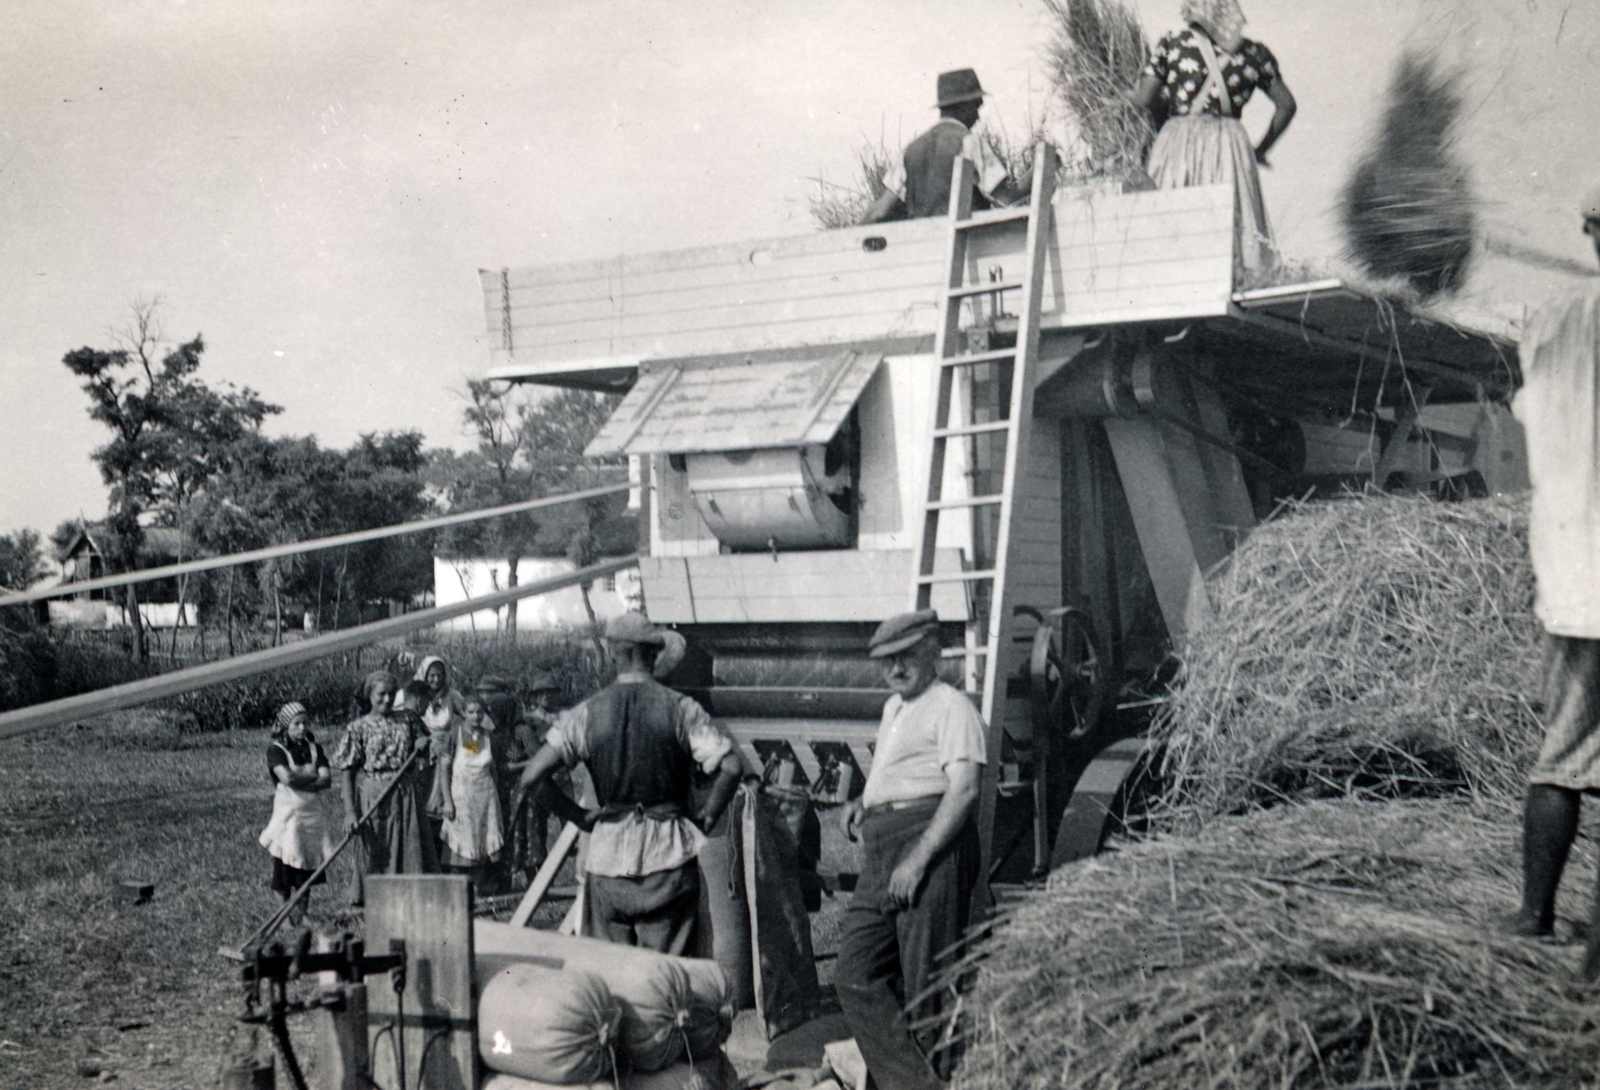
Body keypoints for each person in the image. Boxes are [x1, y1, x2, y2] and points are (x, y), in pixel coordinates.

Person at [516, 612, 744, 954]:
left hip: (607, 858)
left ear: (613, 653)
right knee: (665, 976)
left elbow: (532, 776)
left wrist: (579, 816)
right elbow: (731, 767)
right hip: (668, 857)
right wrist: (707, 819)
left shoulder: (587, 712)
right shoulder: (682, 709)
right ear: (654, 655)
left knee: (608, 975)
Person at [835, 609, 985, 1090]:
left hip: (928, 842)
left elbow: (964, 789)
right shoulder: (894, 710)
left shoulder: (952, 707)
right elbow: (896, 774)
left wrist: (919, 859)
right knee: (854, 973)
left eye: (906, 657)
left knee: (928, 987)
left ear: (932, 652)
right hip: (883, 847)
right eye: (887, 661)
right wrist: (863, 802)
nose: (896, 669)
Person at [1509, 186, 1600, 970]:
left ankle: (1534, 916)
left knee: (1562, 756)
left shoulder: (1548, 321)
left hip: (1574, 580)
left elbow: (1533, 419)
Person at [1129, 0, 1296, 274]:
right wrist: (1261, 149)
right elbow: (1286, 105)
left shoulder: (1173, 44)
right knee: (1232, 222)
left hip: (1179, 141)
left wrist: (1123, 97)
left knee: (1169, 216)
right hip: (1229, 145)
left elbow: (1144, 99)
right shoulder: (1256, 54)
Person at [859, 69, 1023, 224]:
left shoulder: (910, 151)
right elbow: (1007, 202)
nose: (978, 117)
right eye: (976, 106)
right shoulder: (970, 141)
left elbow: (879, 211)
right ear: (964, 105)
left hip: (925, 241)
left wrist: (848, 239)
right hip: (968, 241)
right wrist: (1031, 178)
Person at [331, 670, 438, 902]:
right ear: (370, 695)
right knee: (378, 846)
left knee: (410, 844)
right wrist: (350, 812)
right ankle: (373, 897)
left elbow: (425, 752)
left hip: (406, 791)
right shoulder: (358, 728)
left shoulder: (408, 719)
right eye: (381, 694)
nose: (387, 699)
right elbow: (347, 773)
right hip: (374, 793)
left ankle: (411, 896)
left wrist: (422, 746)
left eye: (391, 694)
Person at [258, 702, 335, 927]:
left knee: (306, 866)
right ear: (285, 726)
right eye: (296, 724)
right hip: (288, 817)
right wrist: (312, 778)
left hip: (311, 816)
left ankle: (302, 913)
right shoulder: (276, 751)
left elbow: (327, 780)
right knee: (284, 868)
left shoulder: (314, 748)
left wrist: (303, 780)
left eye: (304, 723)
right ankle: (283, 915)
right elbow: (287, 778)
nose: (302, 728)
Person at [437, 694, 506, 891]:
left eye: (479, 712)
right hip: (462, 795)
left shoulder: (487, 737)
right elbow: (444, 769)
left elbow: (491, 768)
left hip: (485, 794)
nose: (476, 716)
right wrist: (447, 801)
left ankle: (479, 886)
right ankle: (459, 889)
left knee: (482, 839)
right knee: (462, 839)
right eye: (471, 712)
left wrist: (496, 796)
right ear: (463, 713)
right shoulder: (454, 735)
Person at [509, 673, 563, 884]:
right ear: (534, 697)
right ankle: (535, 874)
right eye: (541, 694)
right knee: (530, 828)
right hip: (532, 780)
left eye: (550, 693)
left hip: (556, 775)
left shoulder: (561, 717)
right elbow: (530, 752)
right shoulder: (527, 722)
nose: (546, 697)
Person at [414, 655, 467, 848]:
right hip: (421, 750)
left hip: (445, 749)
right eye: (432, 675)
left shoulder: (452, 695)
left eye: (439, 675)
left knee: (439, 796)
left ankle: (442, 840)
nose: (436, 680)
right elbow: (406, 718)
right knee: (422, 796)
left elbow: (470, 714)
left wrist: (464, 738)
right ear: (424, 675)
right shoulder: (417, 695)